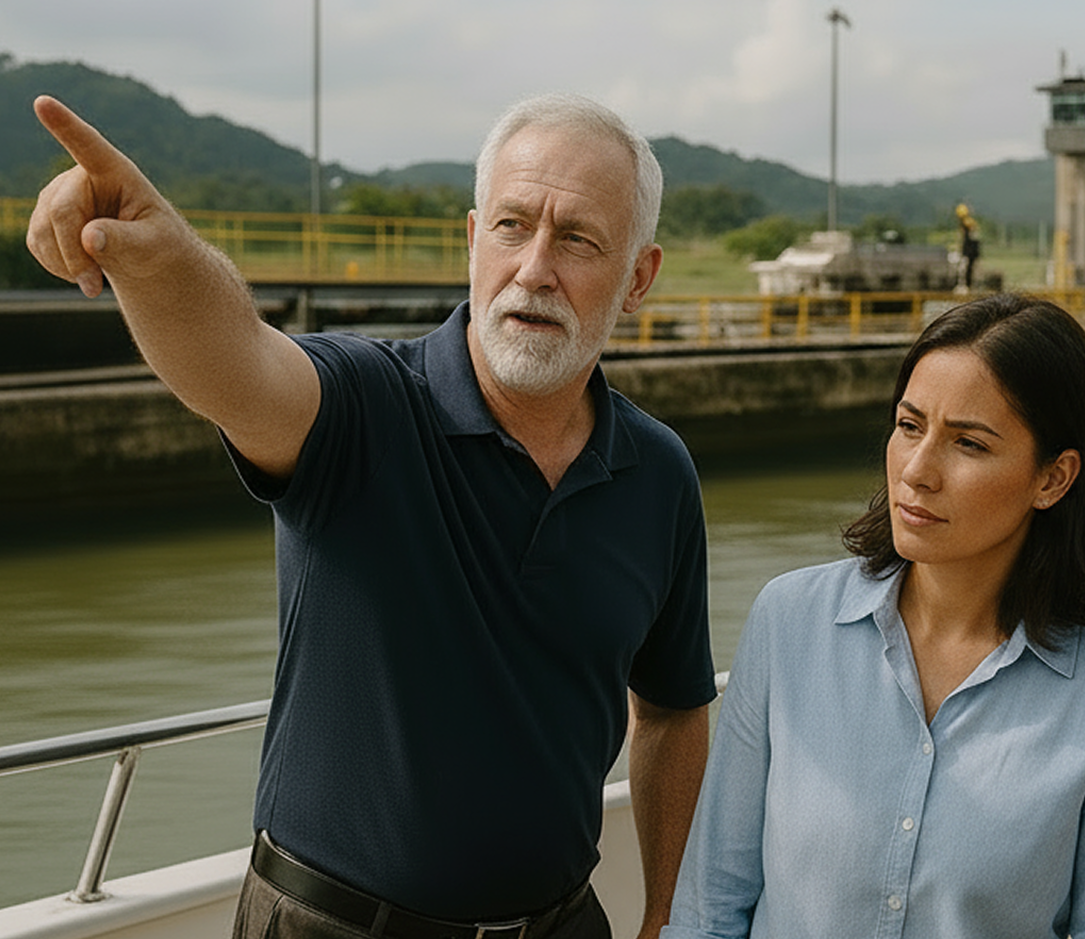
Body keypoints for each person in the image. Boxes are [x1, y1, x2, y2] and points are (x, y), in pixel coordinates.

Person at [23, 93, 715, 939]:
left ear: (639, 277)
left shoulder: (659, 475)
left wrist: (668, 913)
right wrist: (153, 255)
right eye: (511, 226)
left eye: (576, 239)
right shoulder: (364, 408)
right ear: (472, 240)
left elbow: (675, 709)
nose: (535, 267)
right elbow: (235, 365)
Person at [663, 293, 1085, 939]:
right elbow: (711, 907)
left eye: (968, 443)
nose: (917, 470)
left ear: (1054, 478)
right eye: (909, 426)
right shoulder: (788, 623)